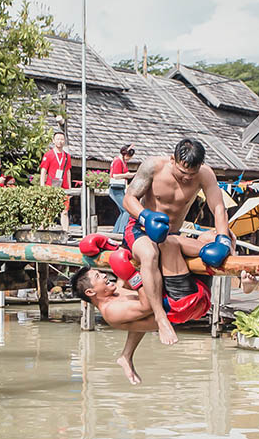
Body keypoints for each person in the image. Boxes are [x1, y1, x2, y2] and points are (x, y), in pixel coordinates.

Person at [122, 138, 234, 346]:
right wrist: (146, 216)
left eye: (191, 174)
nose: (186, 178)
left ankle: (244, 278)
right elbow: (129, 199)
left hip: (171, 235)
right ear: (173, 160)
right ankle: (160, 318)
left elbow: (218, 207)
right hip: (141, 228)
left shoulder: (205, 174)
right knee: (150, 254)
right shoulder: (153, 166)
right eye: (182, 172)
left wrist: (224, 239)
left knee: (221, 241)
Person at [72, 231, 216, 384]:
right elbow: (148, 305)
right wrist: (132, 275)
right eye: (98, 277)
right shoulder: (111, 311)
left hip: (186, 299)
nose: (104, 276)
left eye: (101, 273)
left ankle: (125, 357)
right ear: (90, 291)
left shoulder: (114, 294)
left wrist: (112, 247)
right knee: (167, 243)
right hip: (180, 303)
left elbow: (140, 318)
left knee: (210, 239)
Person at [39, 131, 72, 231]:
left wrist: (70, 188)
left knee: (65, 211)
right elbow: (43, 170)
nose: (60, 141)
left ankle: (66, 232)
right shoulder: (48, 155)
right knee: (49, 211)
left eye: (62, 139)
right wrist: (42, 186)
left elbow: (68, 172)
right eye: (58, 139)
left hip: (64, 187)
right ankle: (44, 230)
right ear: (53, 140)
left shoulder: (67, 156)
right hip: (50, 186)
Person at [109, 145, 135, 234]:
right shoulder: (118, 161)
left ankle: (115, 232)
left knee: (122, 211)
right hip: (115, 189)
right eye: (128, 157)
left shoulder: (123, 162)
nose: (129, 159)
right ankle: (121, 231)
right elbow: (115, 176)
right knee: (127, 210)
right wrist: (127, 175)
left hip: (120, 188)